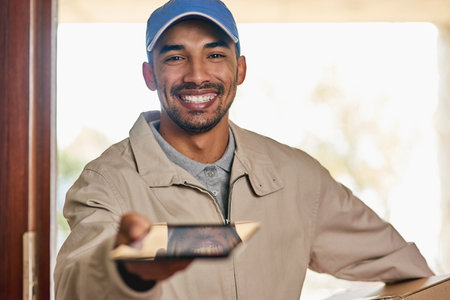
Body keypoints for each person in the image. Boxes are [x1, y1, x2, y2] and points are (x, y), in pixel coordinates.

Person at [54, 0, 434, 299]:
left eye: (215, 55)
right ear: (150, 75)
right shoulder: (105, 184)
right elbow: (76, 284)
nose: (197, 74)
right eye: (175, 57)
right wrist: (127, 269)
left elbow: (407, 267)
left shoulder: (296, 177)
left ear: (241, 69)